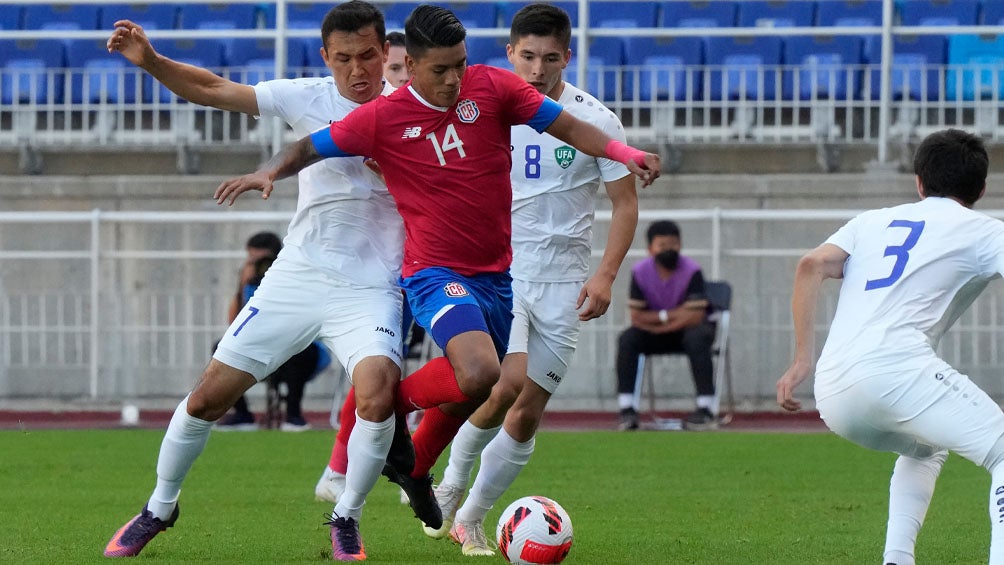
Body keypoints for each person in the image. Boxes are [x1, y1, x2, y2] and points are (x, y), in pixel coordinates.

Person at [214, 1, 660, 552]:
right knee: (488, 378)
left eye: (460, 65)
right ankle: (418, 467)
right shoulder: (384, 115)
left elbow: (572, 127)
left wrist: (623, 150)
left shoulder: (493, 89)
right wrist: (268, 172)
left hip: (507, 274)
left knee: (497, 394)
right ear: (414, 64)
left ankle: (400, 437)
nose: (454, 79)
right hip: (436, 270)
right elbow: (311, 146)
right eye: (441, 70)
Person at [102, 3, 409, 561]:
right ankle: (159, 507)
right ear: (326, 57)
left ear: (385, 52)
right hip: (298, 274)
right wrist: (151, 61)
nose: (358, 69)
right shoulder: (307, 96)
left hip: (371, 287)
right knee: (206, 399)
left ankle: (346, 517)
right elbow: (215, 88)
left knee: (378, 392)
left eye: (368, 55)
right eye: (344, 58)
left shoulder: (412, 113)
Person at [425, 4, 638, 555]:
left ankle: (469, 518)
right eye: (527, 57)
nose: (538, 69)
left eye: (549, 58)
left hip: (565, 282)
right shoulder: (480, 111)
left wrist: (606, 275)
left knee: (528, 410)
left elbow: (624, 203)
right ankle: (449, 483)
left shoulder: (597, 121)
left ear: (568, 56)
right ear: (510, 53)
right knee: (505, 383)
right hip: (499, 270)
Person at [776, 129, 1004, 565]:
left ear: (919, 182)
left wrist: (801, 358)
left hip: (834, 391)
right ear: (981, 189)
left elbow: (810, 266)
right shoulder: (985, 230)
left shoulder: (871, 220)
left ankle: (897, 559)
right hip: (898, 372)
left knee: (926, 446)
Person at [615, 220, 716, 431]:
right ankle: (627, 409)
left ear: (680, 244)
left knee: (697, 337)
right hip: (658, 334)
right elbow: (636, 316)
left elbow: (695, 317)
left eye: (673, 244)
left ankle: (705, 407)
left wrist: (658, 322)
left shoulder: (692, 271)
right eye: (662, 245)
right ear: (650, 248)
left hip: (687, 334)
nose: (668, 250)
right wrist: (674, 316)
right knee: (627, 339)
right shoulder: (640, 272)